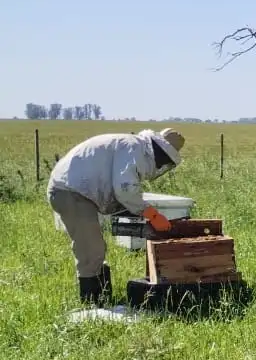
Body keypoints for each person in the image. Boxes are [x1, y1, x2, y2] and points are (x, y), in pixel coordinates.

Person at [47, 128, 185, 305]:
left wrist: (147, 215)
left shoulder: (135, 147)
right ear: (158, 149)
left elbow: (123, 193)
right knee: (90, 248)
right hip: (69, 191)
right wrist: (152, 214)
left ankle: (102, 296)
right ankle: (92, 304)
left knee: (95, 247)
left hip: (80, 190)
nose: (163, 164)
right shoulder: (133, 148)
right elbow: (125, 189)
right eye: (164, 159)